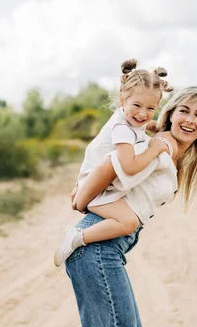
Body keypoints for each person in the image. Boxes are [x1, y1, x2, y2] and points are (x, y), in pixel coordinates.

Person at [64, 86, 197, 327]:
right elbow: (110, 162)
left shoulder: (170, 152)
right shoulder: (158, 146)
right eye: (183, 111)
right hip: (96, 250)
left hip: (104, 250)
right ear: (171, 114)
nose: (189, 120)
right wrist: (82, 197)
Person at [53, 58, 174, 266]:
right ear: (122, 99)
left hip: (99, 181)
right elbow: (130, 165)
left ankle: (77, 236)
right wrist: (155, 149)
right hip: (94, 187)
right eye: (137, 105)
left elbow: (143, 124)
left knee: (129, 219)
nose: (143, 114)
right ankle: (75, 238)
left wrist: (155, 126)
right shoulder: (122, 130)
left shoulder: (130, 119)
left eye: (150, 108)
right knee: (128, 222)